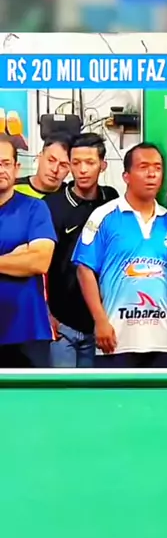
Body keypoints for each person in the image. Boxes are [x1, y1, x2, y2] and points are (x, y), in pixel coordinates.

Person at [73, 142, 167, 368]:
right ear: (126, 176)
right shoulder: (103, 216)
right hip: (115, 340)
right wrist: (100, 321)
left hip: (163, 341)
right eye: (143, 167)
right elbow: (84, 269)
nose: (152, 174)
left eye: (157, 167)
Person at [46, 133, 118, 367]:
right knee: (62, 389)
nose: (83, 170)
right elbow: (40, 265)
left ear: (103, 165)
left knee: (95, 390)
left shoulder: (112, 201)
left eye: (90, 162)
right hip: (62, 324)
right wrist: (46, 313)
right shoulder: (51, 205)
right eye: (76, 163)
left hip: (102, 324)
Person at [0, 134, 56, 367]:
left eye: (5, 163)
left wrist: (28, 258)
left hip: (28, 331)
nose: (1, 170)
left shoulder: (35, 208)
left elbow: (40, 261)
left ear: (16, 167)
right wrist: (16, 257)